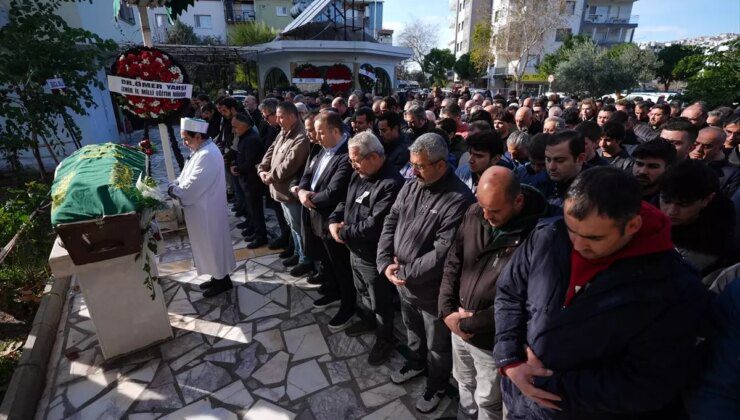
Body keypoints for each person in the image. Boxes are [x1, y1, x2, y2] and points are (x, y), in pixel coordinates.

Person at [494, 167, 709, 419]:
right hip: (520, 402)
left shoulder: (676, 289)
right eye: (571, 229)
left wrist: (542, 384)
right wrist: (509, 360)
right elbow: (509, 294)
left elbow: (649, 383)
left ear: (632, 225)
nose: (578, 244)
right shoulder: (548, 236)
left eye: (594, 238)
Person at [377, 133, 475, 414]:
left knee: (437, 345)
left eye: (420, 165)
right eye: (412, 164)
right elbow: (391, 219)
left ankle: (438, 385)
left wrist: (404, 272)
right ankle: (415, 362)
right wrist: (385, 261)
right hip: (402, 280)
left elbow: (443, 252)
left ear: (441, 165)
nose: (413, 170)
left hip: (430, 289)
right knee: (412, 329)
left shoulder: (458, 199)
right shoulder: (412, 184)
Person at [440, 166, 547, 420]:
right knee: (463, 382)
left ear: (518, 201)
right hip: (458, 325)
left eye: (495, 210)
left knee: (488, 400)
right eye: (482, 206)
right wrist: (446, 311)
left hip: (491, 341)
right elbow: (454, 261)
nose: (486, 215)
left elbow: (522, 302)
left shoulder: (538, 237)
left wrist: (469, 323)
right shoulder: (476, 211)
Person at [327, 132, 404, 364]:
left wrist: (342, 232)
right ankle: (370, 321)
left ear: (373, 157)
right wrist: (334, 220)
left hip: (372, 255)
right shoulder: (359, 173)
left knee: (380, 302)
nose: (353, 165)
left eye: (356, 160)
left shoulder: (391, 183)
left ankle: (385, 339)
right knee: (362, 291)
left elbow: (374, 225)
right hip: (354, 250)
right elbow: (345, 201)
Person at [293, 111, 355, 330]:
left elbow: (334, 192)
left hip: (332, 221)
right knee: (328, 264)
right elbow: (308, 174)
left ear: (335, 131)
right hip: (316, 218)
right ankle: (334, 292)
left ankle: (348, 306)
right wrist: (302, 192)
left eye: (320, 132)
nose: (316, 137)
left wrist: (308, 199)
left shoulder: (347, 155)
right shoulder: (321, 149)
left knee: (342, 267)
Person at [168, 118, 236, 297]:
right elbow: (186, 175)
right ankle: (218, 277)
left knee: (212, 245)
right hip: (202, 209)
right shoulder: (200, 150)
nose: (184, 143)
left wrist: (174, 190)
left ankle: (222, 281)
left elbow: (192, 186)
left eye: (186, 138)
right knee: (208, 246)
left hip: (207, 210)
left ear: (198, 136)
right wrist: (176, 184)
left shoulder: (207, 154)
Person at [258, 102, 313, 276]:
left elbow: (290, 164)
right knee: (291, 226)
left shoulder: (301, 136)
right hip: (279, 191)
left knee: (298, 228)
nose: (278, 120)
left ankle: (306, 260)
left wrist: (270, 176)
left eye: (281, 116)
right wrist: (262, 168)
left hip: (290, 193)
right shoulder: (283, 132)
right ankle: (298, 253)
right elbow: (271, 151)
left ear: (292, 116)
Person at [660, 160, 736, 277]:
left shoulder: (712, 247)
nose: (671, 211)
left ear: (707, 199)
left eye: (683, 204)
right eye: (666, 201)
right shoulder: (644, 211)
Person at [230, 113, 267, 249]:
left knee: (256, 210)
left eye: (235, 127)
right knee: (251, 209)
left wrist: (237, 168)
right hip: (246, 180)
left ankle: (260, 236)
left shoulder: (251, 139)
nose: (233, 130)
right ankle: (254, 229)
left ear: (244, 126)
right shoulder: (244, 136)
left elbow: (251, 163)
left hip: (253, 181)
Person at [689, 126, 740, 198]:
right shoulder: (677, 162)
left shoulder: (732, 175)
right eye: (696, 143)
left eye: (707, 146)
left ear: (720, 148)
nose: (698, 149)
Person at [544, 130, 586, 213]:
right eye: (548, 159)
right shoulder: (543, 182)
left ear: (580, 159)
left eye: (560, 160)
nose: (551, 167)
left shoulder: (594, 193)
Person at [632, 139, 676, 204]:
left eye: (652, 166)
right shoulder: (618, 190)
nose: (642, 171)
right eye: (639, 164)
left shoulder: (669, 203)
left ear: (667, 169)